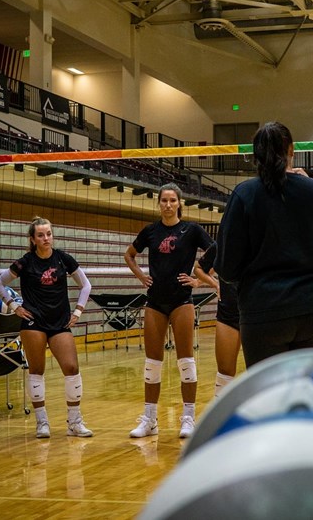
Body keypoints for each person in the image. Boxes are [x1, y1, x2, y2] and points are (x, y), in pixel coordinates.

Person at [216, 122, 313, 368]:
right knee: (309, 397)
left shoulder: (244, 194)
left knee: (268, 400)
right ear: (291, 150)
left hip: (264, 310)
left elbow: (227, 268)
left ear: (255, 155)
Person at [124, 183, 213, 439]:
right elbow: (129, 255)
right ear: (159, 203)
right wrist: (141, 276)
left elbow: (215, 251)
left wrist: (199, 280)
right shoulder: (151, 231)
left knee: (186, 363)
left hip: (182, 302)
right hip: (155, 303)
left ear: (179, 203)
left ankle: (188, 417)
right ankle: (149, 419)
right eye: (164, 200)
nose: (168, 204)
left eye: (172, 200)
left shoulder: (192, 229)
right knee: (152, 364)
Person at [0, 217, 94, 439]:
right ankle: (42, 423)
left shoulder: (63, 259)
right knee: (36, 370)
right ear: (33, 239)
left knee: (71, 368)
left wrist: (77, 311)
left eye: (48, 234)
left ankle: (75, 422)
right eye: (40, 235)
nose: (45, 238)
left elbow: (86, 285)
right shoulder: (25, 262)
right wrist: (13, 306)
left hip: (60, 322)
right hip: (33, 322)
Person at [191, 244, 241, 396]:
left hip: (259, 313)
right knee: (225, 371)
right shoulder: (225, 242)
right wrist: (215, 284)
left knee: (260, 370)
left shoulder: (267, 236)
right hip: (228, 312)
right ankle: (222, 418)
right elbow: (199, 268)